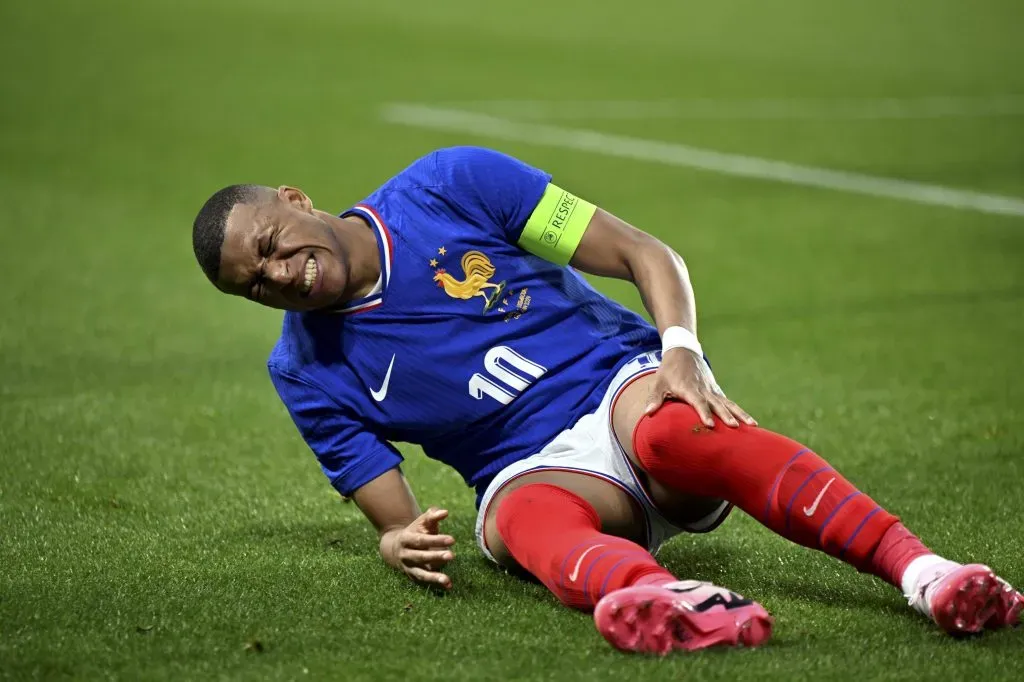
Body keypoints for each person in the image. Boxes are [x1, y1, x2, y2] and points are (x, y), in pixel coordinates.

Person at [191, 146, 1021, 654]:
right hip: (532, 470)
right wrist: (395, 542)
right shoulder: (303, 369)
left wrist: (682, 356)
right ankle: (664, 600)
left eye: (266, 246)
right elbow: (401, 519)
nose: (276, 274)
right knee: (518, 522)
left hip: (617, 385)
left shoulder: (449, 185)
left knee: (672, 434)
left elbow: (641, 253)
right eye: (253, 286)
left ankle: (927, 574)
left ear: (294, 201)